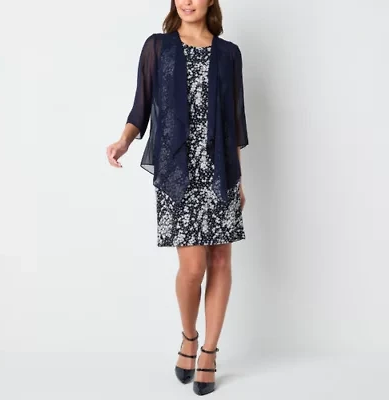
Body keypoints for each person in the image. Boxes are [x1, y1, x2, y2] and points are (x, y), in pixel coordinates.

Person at [106, 0, 249, 395]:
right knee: (192, 268)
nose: (187, 1)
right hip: (178, 174)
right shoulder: (158, 47)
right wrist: (123, 141)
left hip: (220, 172)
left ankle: (209, 352)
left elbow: (235, 123)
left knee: (220, 259)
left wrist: (238, 180)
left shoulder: (229, 54)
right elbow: (141, 106)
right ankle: (189, 336)